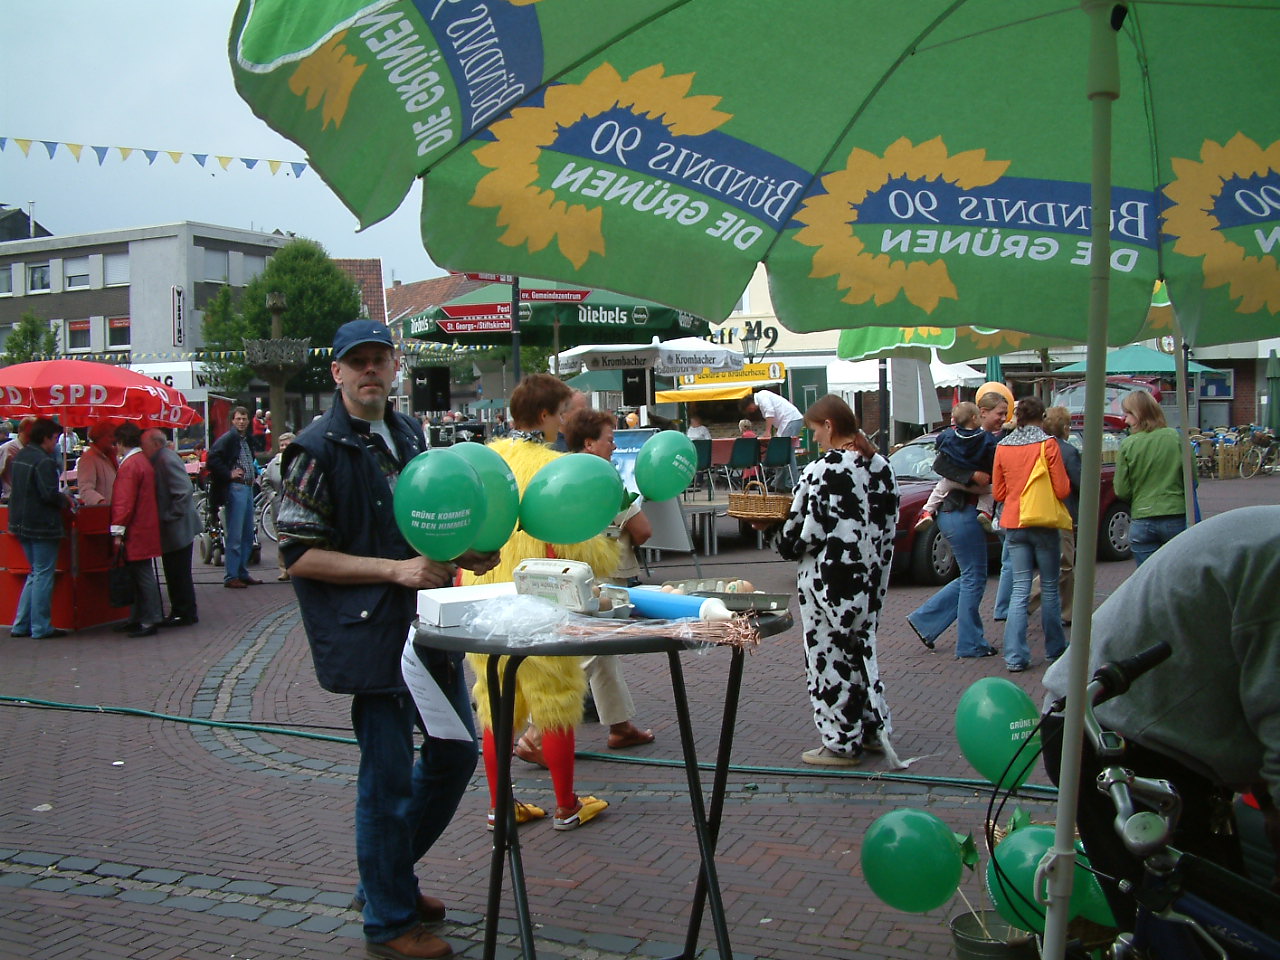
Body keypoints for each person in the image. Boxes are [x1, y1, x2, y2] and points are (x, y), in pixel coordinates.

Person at [277, 318, 499, 960]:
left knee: (455, 753)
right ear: (338, 372)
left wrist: (463, 552)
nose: (371, 369)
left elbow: (421, 530)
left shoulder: (410, 434)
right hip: (371, 634)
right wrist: (395, 571)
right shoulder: (315, 450)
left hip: (426, 625)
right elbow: (298, 555)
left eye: (381, 358)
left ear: (396, 366)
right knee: (387, 778)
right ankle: (388, 919)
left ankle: (386, 880)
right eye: (359, 361)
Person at [1041, 505, 1280, 925]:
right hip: (1113, 733)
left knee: (1216, 912)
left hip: (1127, 723)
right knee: (1192, 924)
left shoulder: (1265, 540)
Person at [462, 373, 621, 832]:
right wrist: (608, 544)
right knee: (555, 700)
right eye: (564, 412)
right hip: (539, 598)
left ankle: (499, 806)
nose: (567, 420)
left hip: (482, 596)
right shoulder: (555, 469)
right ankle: (566, 805)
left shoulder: (487, 461)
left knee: (495, 700)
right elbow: (579, 545)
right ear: (546, 415)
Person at [756, 395, 899, 767]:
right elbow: (887, 526)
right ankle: (872, 728)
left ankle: (840, 742)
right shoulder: (881, 466)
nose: (814, 438)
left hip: (827, 581)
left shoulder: (823, 470)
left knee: (829, 657)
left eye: (815, 430)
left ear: (830, 426)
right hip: (870, 580)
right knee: (861, 649)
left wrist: (768, 529)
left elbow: (800, 535)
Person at [906, 390, 1008, 658]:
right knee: (974, 577)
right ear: (981, 413)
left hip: (957, 512)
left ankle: (926, 620)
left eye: (1005, 414)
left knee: (971, 576)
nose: (1003, 418)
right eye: (999, 413)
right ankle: (969, 642)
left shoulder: (979, 439)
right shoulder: (978, 440)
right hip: (961, 512)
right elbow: (941, 466)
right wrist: (972, 478)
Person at [991, 397, 1071, 673]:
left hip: (1014, 522)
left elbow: (998, 492)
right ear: (1042, 416)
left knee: (1019, 588)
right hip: (1043, 521)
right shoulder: (1048, 445)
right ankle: (1055, 648)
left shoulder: (1003, 446)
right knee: (1049, 586)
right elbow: (1062, 489)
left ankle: (1015, 655)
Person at [7, 418, 72, 639]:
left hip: (20, 522)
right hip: (42, 525)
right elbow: (48, 494)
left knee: (35, 573)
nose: (55, 443)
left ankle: (21, 624)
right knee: (43, 574)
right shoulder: (44, 461)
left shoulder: (22, 456)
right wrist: (65, 500)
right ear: (45, 437)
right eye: (54, 438)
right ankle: (41, 626)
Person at [1115, 388, 1187, 566]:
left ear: (1139, 414)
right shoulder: (1176, 438)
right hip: (1175, 513)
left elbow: (1121, 489)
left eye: (1128, 414)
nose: (1125, 420)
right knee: (1178, 572)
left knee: (1149, 577)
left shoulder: (1128, 444)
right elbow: (1191, 478)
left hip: (1142, 517)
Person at [109, 423, 164, 638]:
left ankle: (148, 618)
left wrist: (118, 530)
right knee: (141, 574)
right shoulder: (143, 462)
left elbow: (124, 501)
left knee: (141, 574)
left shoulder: (130, 465)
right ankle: (141, 617)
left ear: (122, 442)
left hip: (135, 529)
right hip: (145, 526)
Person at [1026, 406, 1080, 624]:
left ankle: (1068, 611)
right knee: (1064, 563)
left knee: (1064, 563)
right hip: (1061, 513)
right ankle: (1025, 601)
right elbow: (1079, 482)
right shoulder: (1067, 451)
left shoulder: (1034, 447)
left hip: (1036, 512)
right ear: (1064, 427)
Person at [142, 429, 201, 628]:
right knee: (174, 570)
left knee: (178, 571)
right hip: (176, 526)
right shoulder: (163, 458)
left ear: (155, 444)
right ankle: (181, 610)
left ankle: (184, 612)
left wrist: (169, 515)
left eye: (144, 444)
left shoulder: (165, 459)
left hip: (177, 527)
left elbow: (183, 490)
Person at [915, 402, 997, 534]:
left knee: (939, 490)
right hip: (979, 484)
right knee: (992, 491)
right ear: (974, 418)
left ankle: (927, 512)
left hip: (952, 481)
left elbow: (939, 444)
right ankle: (985, 512)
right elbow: (993, 457)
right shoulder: (986, 438)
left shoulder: (948, 436)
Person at [208, 406, 261, 589]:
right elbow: (212, 459)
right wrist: (228, 473)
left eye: (244, 419)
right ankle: (232, 575)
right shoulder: (228, 439)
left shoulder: (246, 439)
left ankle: (241, 572)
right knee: (235, 534)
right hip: (237, 488)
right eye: (238, 419)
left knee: (247, 534)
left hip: (247, 487)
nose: (241, 422)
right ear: (232, 420)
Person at [741, 388, 803, 486]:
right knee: (783, 452)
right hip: (788, 422)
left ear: (750, 404)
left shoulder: (762, 396)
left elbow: (770, 413)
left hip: (790, 420)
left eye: (749, 409)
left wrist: (767, 431)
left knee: (785, 453)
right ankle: (780, 483)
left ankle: (790, 483)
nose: (752, 411)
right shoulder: (763, 399)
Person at [263, 431, 296, 581]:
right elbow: (265, 483)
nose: (283, 447)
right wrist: (273, 496)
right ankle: (284, 570)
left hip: (296, 507)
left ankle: (297, 569)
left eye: (287, 444)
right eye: (281, 445)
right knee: (281, 539)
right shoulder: (273, 464)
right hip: (278, 506)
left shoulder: (300, 462)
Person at [75, 421, 119, 506]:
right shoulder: (89, 458)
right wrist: (101, 502)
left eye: (114, 436)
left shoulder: (109, 457)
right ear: (100, 437)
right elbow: (85, 490)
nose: (114, 439)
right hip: (102, 511)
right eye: (110, 436)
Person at [0, 417, 37, 500]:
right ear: (19, 431)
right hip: (11, 499)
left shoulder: (34, 450)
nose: (31, 438)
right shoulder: (7, 449)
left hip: (30, 500)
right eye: (28, 434)